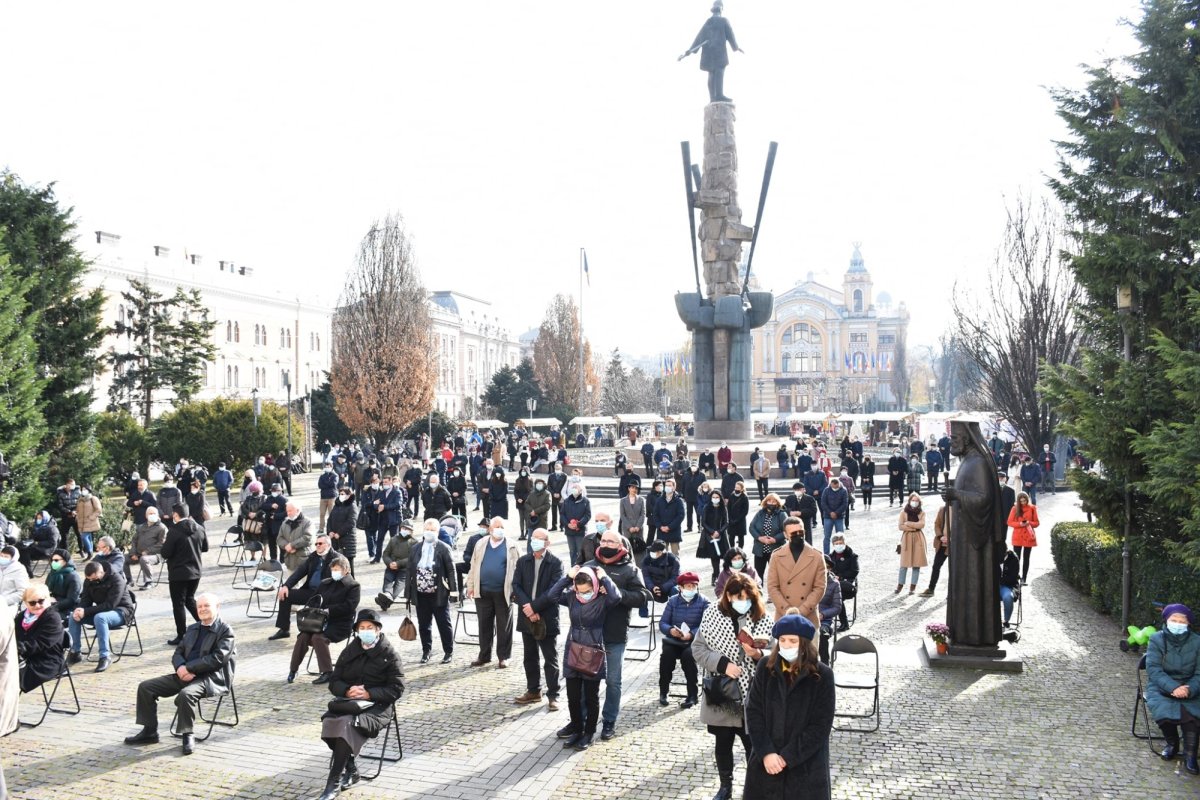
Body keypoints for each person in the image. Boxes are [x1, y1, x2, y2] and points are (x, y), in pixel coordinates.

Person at [690, 573, 774, 800]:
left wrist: (758, 654)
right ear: (728, 595)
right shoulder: (712, 615)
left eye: (747, 597)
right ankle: (725, 786)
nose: (742, 601)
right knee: (723, 742)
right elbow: (697, 649)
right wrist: (723, 664)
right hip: (723, 690)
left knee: (753, 746)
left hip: (753, 693)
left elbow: (775, 653)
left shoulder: (763, 617)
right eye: (738, 597)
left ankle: (754, 789)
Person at [124, 593, 235, 756]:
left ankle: (187, 734)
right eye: (199, 606)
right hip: (184, 674)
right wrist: (180, 667)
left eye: (207, 606)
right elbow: (178, 652)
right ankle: (149, 732)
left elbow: (218, 659)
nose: (202, 609)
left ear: (217, 608)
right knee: (146, 687)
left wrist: (189, 668)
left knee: (185, 694)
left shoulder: (225, 630)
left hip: (210, 678)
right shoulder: (192, 628)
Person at [743, 610, 835, 800]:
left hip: (805, 768)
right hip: (766, 763)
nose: (786, 645)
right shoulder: (765, 667)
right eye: (782, 640)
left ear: (804, 643)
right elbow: (753, 711)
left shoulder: (823, 675)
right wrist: (767, 752)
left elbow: (821, 725)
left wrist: (787, 757)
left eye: (793, 641)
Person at [316, 609, 405, 800]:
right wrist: (347, 690)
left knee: (346, 724)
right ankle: (351, 768)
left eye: (369, 627)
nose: (365, 631)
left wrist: (369, 693)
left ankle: (333, 782)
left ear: (378, 630)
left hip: (378, 705)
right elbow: (334, 681)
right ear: (356, 630)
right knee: (330, 721)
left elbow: (397, 688)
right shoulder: (349, 651)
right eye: (361, 627)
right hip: (349, 701)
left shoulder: (389, 654)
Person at [582, 528, 651, 739]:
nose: (605, 545)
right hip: (590, 635)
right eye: (603, 541)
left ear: (621, 547)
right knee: (587, 681)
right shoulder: (589, 566)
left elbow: (642, 596)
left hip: (615, 634)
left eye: (611, 542)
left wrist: (616, 594)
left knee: (613, 681)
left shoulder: (630, 570)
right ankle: (583, 720)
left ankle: (609, 720)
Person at [551, 565, 621, 751]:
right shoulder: (572, 596)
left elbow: (617, 597)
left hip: (592, 648)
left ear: (595, 585)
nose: (584, 594)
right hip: (573, 647)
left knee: (591, 697)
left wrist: (605, 578)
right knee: (573, 696)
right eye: (580, 590)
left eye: (588, 591)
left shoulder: (603, 598)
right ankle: (577, 729)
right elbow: (552, 595)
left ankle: (589, 733)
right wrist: (567, 578)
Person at [512, 528, 564, 712]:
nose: (534, 541)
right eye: (532, 538)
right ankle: (533, 690)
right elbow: (516, 585)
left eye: (539, 539)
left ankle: (553, 695)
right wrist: (528, 607)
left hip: (546, 616)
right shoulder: (523, 560)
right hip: (527, 616)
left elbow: (553, 591)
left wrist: (535, 607)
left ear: (547, 543)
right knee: (529, 656)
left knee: (550, 658)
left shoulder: (555, 563)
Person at [288, 555, 360, 685]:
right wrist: (315, 610)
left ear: (346, 570)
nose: (334, 572)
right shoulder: (325, 583)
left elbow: (349, 606)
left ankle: (327, 672)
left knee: (318, 638)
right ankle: (293, 670)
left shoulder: (353, 586)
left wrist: (329, 610)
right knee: (303, 636)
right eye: (333, 569)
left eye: (337, 569)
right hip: (319, 621)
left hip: (340, 624)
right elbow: (314, 599)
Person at [1146, 603, 1200, 774]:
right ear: (1166, 620)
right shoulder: (1156, 639)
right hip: (1162, 685)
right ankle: (1172, 743)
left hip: (1191, 685)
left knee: (1192, 715)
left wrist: (1189, 689)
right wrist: (1173, 687)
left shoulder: (1198, 642)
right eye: (1173, 620)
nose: (1177, 623)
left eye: (1181, 620)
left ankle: (1190, 755)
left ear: (1188, 623)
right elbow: (1153, 669)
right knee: (1163, 711)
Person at [466, 517, 519, 669]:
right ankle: (484, 655)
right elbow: (473, 566)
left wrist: (516, 590)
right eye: (496, 526)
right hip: (482, 592)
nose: (499, 529)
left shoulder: (512, 546)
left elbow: (519, 569)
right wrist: (470, 586)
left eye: (502, 526)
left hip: (504, 593)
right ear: (490, 529)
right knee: (484, 625)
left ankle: (504, 657)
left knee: (504, 626)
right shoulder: (481, 543)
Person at [66, 560, 134, 672]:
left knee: (100, 617)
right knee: (74, 616)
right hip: (101, 613)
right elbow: (85, 601)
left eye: (94, 579)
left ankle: (105, 656)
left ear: (101, 572)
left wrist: (86, 612)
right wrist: (80, 610)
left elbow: (110, 605)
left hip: (121, 612)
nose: (91, 581)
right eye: (89, 579)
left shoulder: (116, 579)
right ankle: (75, 652)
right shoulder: (88, 581)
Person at [404, 521, 456, 664]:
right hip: (420, 593)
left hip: (438, 593)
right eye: (427, 529)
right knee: (424, 625)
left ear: (438, 532)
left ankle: (448, 651)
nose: (429, 531)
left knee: (443, 623)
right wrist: (407, 593)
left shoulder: (444, 548)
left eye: (432, 529)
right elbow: (409, 570)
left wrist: (454, 591)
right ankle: (426, 651)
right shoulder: (415, 548)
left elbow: (451, 570)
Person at [269, 534, 336, 640]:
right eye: (316, 544)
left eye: (320, 543)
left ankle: (318, 630)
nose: (317, 546)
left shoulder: (337, 558)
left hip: (326, 594)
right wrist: (286, 586)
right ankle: (284, 629)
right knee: (286, 595)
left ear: (328, 545)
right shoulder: (313, 556)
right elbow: (299, 572)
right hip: (310, 592)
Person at [658, 571, 708, 708]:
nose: (690, 589)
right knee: (666, 657)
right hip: (674, 640)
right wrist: (670, 630)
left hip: (694, 642)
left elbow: (707, 624)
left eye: (693, 586)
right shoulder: (673, 601)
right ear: (680, 587)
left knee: (688, 657)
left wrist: (692, 634)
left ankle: (692, 695)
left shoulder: (704, 601)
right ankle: (663, 691)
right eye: (687, 586)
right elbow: (663, 622)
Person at [766, 518, 825, 629]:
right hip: (783, 617)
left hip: (809, 618)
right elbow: (772, 587)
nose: (798, 535)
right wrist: (787, 611)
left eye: (801, 532)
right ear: (785, 534)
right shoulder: (776, 556)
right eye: (793, 533)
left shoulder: (817, 556)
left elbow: (820, 588)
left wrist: (801, 611)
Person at [162, 504, 207, 645]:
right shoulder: (199, 528)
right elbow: (205, 547)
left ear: (175, 515)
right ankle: (206, 625)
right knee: (189, 599)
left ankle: (181, 635)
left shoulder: (173, 531)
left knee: (179, 604)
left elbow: (165, 553)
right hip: (195, 571)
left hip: (178, 572)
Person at [15, 584, 64, 693]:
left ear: (48, 599)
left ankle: (6, 707)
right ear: (26, 603)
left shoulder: (52, 617)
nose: (37, 605)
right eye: (32, 603)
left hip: (46, 661)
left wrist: (18, 649)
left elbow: (42, 643)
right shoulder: (21, 617)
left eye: (41, 601)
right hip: (24, 656)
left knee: (8, 678)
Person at [126, 506, 167, 590]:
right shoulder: (141, 527)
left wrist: (148, 551)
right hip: (139, 553)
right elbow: (134, 540)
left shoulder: (162, 528)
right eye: (150, 513)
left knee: (144, 559)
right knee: (123, 558)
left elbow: (161, 544)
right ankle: (129, 580)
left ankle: (149, 582)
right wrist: (133, 553)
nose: (152, 515)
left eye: (154, 513)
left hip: (156, 555)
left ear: (158, 515)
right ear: (146, 516)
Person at [749, 494, 787, 582]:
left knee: (777, 575)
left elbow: (786, 530)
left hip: (776, 549)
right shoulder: (760, 513)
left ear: (777, 503)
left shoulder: (782, 514)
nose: (771, 503)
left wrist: (775, 539)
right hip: (760, 549)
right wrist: (759, 538)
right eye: (769, 501)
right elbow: (752, 527)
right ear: (766, 502)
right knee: (758, 575)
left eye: (774, 502)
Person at [376, 520, 413, 611]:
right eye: (403, 528)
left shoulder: (413, 542)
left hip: (404, 570)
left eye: (407, 529)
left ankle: (384, 601)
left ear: (411, 531)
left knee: (399, 585)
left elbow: (412, 558)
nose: (405, 530)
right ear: (400, 528)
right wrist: (389, 563)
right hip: (391, 567)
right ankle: (387, 595)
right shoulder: (393, 539)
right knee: (388, 580)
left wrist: (399, 564)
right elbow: (386, 554)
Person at [896, 492, 928, 595]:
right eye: (913, 500)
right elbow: (901, 526)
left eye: (916, 500)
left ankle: (912, 587)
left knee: (916, 564)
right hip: (907, 538)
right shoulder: (903, 512)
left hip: (918, 538)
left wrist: (909, 523)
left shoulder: (922, 513)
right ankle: (900, 585)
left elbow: (922, 525)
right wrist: (915, 526)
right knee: (904, 564)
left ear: (919, 502)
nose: (914, 502)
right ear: (909, 501)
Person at [1007, 491, 1040, 586]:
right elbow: (1009, 522)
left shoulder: (1032, 508)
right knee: (1016, 558)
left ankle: (1024, 578)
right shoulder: (1014, 508)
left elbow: (1037, 523)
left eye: (1024, 500)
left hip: (1029, 536)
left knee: (1026, 558)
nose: (1023, 503)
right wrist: (1020, 524)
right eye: (1021, 501)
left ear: (1027, 499)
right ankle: (1015, 577)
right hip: (1017, 536)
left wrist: (1029, 522)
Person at [370, 477, 404, 565]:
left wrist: (384, 507)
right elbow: (375, 504)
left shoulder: (397, 492)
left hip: (394, 520)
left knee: (394, 540)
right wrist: (377, 506)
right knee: (379, 540)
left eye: (386, 482)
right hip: (383, 520)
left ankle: (395, 558)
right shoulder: (381, 493)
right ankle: (377, 558)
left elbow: (398, 504)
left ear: (391, 482)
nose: (384, 484)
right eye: (383, 482)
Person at [326, 486, 359, 576]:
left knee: (348, 567)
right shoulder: (337, 505)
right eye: (340, 494)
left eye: (343, 494)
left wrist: (339, 533)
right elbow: (330, 519)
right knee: (336, 566)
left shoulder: (352, 506)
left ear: (349, 495)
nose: (340, 496)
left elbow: (351, 522)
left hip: (347, 541)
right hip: (335, 540)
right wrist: (330, 531)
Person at [699, 489, 730, 585]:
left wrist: (719, 532)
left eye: (717, 497)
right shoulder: (706, 507)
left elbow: (726, 522)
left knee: (726, 556)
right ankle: (715, 576)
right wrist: (712, 532)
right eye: (713, 497)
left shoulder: (723, 508)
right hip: (709, 535)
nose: (715, 499)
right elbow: (703, 522)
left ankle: (726, 576)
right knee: (714, 557)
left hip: (721, 535)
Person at [919, 503, 951, 597]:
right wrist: (941, 536)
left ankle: (951, 593)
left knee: (953, 570)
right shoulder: (943, 509)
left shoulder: (960, 509)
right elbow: (937, 524)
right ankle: (931, 589)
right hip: (942, 544)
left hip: (954, 545)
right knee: (936, 566)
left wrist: (951, 538)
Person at [828, 534, 858, 631]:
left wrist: (840, 576)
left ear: (845, 543)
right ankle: (828, 621)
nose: (839, 545)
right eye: (836, 543)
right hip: (834, 584)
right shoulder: (830, 557)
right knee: (833, 596)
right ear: (833, 544)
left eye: (841, 543)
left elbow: (854, 571)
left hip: (848, 585)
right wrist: (833, 576)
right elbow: (828, 570)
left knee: (837, 597)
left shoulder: (852, 556)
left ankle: (844, 623)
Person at [641, 539, 681, 612]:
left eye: (654, 551)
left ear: (660, 552)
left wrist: (662, 587)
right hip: (652, 586)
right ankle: (643, 618)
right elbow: (645, 576)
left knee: (675, 590)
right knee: (641, 591)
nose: (651, 553)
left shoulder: (673, 560)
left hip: (667, 586)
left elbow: (675, 577)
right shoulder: (646, 560)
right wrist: (652, 587)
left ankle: (677, 612)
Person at [817, 555, 842, 665]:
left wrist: (823, 614)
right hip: (807, 616)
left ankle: (824, 665)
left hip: (824, 620)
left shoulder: (834, 584)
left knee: (823, 635)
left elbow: (837, 607)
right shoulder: (807, 581)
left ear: (829, 568)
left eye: (825, 566)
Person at [17, 512, 57, 578]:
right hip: (36, 547)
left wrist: (38, 543)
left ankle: (28, 573)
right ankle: (22, 572)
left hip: (46, 550)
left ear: (45, 518)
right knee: (19, 547)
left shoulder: (52, 529)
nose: (38, 520)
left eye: (40, 518)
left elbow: (52, 542)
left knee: (24, 552)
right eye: (37, 518)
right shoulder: (37, 527)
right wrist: (27, 541)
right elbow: (33, 538)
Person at [277, 502, 314, 574]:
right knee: (291, 584)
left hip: (304, 560)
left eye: (290, 511)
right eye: (287, 511)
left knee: (306, 584)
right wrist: (286, 546)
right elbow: (279, 538)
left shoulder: (308, 522)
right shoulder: (285, 523)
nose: (288, 513)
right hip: (290, 560)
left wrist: (292, 545)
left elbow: (308, 538)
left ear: (297, 510)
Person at [560, 481, 591, 565]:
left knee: (580, 551)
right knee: (572, 551)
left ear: (580, 490)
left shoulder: (585, 501)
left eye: (576, 488)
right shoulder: (566, 501)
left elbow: (587, 515)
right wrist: (567, 524)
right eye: (573, 487)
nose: (574, 489)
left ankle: (581, 567)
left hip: (580, 531)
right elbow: (562, 514)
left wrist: (578, 524)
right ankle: (573, 567)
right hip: (569, 531)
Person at [654, 478, 686, 557]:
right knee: (661, 555)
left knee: (675, 555)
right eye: (666, 485)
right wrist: (660, 526)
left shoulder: (679, 501)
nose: (667, 487)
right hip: (661, 532)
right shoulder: (659, 500)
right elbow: (655, 515)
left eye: (670, 485)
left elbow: (680, 516)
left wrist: (669, 527)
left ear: (674, 487)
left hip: (674, 531)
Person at [45, 549, 82, 619]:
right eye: (52, 560)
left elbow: (71, 600)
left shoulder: (73, 577)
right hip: (52, 604)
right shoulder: (52, 574)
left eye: (56, 560)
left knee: (44, 616)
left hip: (68, 608)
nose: (53, 562)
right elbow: (45, 590)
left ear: (65, 561)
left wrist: (54, 604)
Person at [818, 477, 849, 555]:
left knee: (841, 536)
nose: (834, 488)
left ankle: (842, 553)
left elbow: (845, 504)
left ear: (838, 484)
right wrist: (830, 512)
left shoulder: (843, 490)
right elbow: (823, 503)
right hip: (828, 516)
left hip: (839, 517)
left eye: (835, 487)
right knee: (826, 537)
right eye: (832, 487)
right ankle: (826, 554)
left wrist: (836, 513)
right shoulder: (826, 490)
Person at [617, 481, 647, 557]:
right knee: (627, 546)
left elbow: (643, 514)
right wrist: (629, 527)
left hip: (638, 527)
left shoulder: (641, 500)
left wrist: (638, 526)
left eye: (636, 488)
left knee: (639, 546)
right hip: (627, 527)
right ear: (629, 488)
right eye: (632, 487)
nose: (634, 489)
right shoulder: (623, 500)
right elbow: (622, 515)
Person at [74, 485, 102, 561]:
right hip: (82, 522)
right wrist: (76, 515)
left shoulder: (93, 499)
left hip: (90, 521)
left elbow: (98, 510)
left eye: (85, 489)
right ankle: (91, 554)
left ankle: (89, 552)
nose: (83, 490)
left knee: (84, 536)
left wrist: (91, 517)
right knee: (88, 537)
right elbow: (78, 510)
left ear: (89, 490)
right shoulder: (80, 499)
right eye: (82, 489)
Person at [998, 548, 1021, 628]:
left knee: (1008, 597)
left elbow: (1012, 577)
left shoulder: (1013, 558)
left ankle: (1006, 620)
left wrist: (1000, 580)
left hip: (1008, 585)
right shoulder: (991, 555)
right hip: (992, 585)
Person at [525, 477, 551, 544]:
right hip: (532, 519)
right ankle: (530, 553)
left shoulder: (547, 494)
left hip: (542, 520)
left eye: (540, 483)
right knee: (530, 540)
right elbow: (526, 503)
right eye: (537, 483)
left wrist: (536, 511)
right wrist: (531, 511)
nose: (539, 485)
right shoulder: (532, 493)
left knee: (541, 540)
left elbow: (547, 505)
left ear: (543, 485)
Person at [317, 462, 339, 533]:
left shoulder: (335, 475)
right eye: (326, 466)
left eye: (329, 466)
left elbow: (333, 484)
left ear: (331, 467)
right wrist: (328, 483)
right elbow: (320, 485)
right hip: (323, 497)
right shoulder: (322, 476)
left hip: (332, 497)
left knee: (331, 514)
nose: (327, 467)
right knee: (322, 514)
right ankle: (321, 528)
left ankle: (332, 528)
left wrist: (325, 483)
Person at [547, 463, 567, 531]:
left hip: (561, 497)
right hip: (553, 497)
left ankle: (562, 526)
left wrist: (560, 494)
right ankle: (554, 526)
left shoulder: (564, 476)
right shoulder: (551, 476)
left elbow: (565, 486)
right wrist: (553, 493)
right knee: (554, 512)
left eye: (558, 468)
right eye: (556, 468)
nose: (557, 469)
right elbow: (548, 486)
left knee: (562, 512)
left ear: (561, 468)